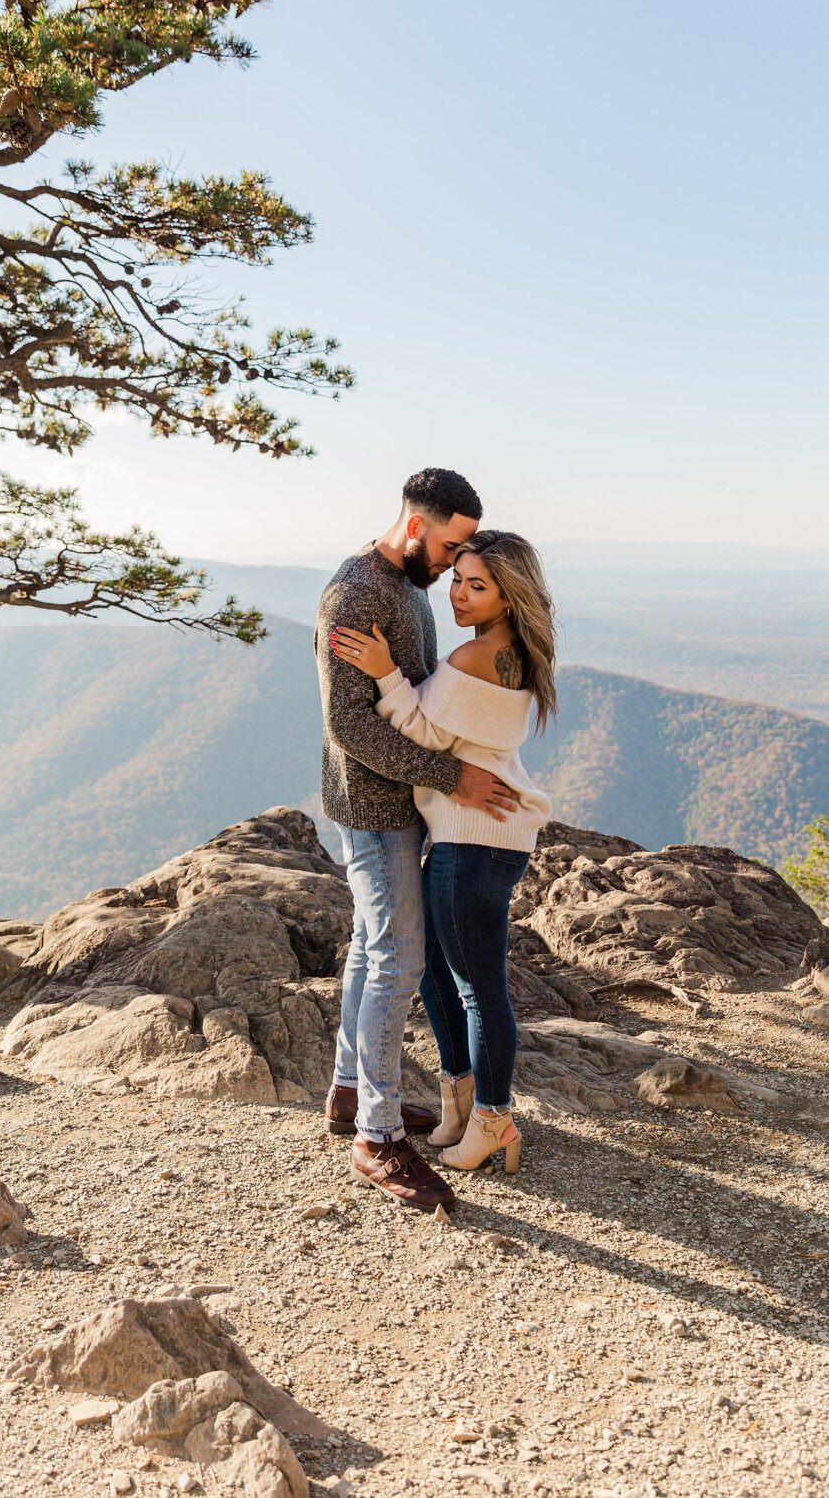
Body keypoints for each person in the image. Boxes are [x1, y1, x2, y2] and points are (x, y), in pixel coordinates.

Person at [314, 471, 519, 1213]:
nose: (454, 562)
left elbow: (416, 690)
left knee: (374, 949)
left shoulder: (409, 584)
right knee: (400, 958)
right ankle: (376, 1134)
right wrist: (450, 776)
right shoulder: (359, 594)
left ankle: (348, 1094)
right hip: (374, 807)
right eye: (450, 545)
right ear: (413, 524)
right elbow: (350, 723)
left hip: (402, 800)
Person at [330, 529, 556, 1176]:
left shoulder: (475, 658)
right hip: (478, 842)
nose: (458, 593)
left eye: (476, 585)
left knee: (479, 990)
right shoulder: (511, 651)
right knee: (438, 975)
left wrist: (384, 675)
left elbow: (423, 734)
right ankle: (460, 1107)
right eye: (457, 578)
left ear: (508, 596)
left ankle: (493, 1119)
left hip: (472, 843)